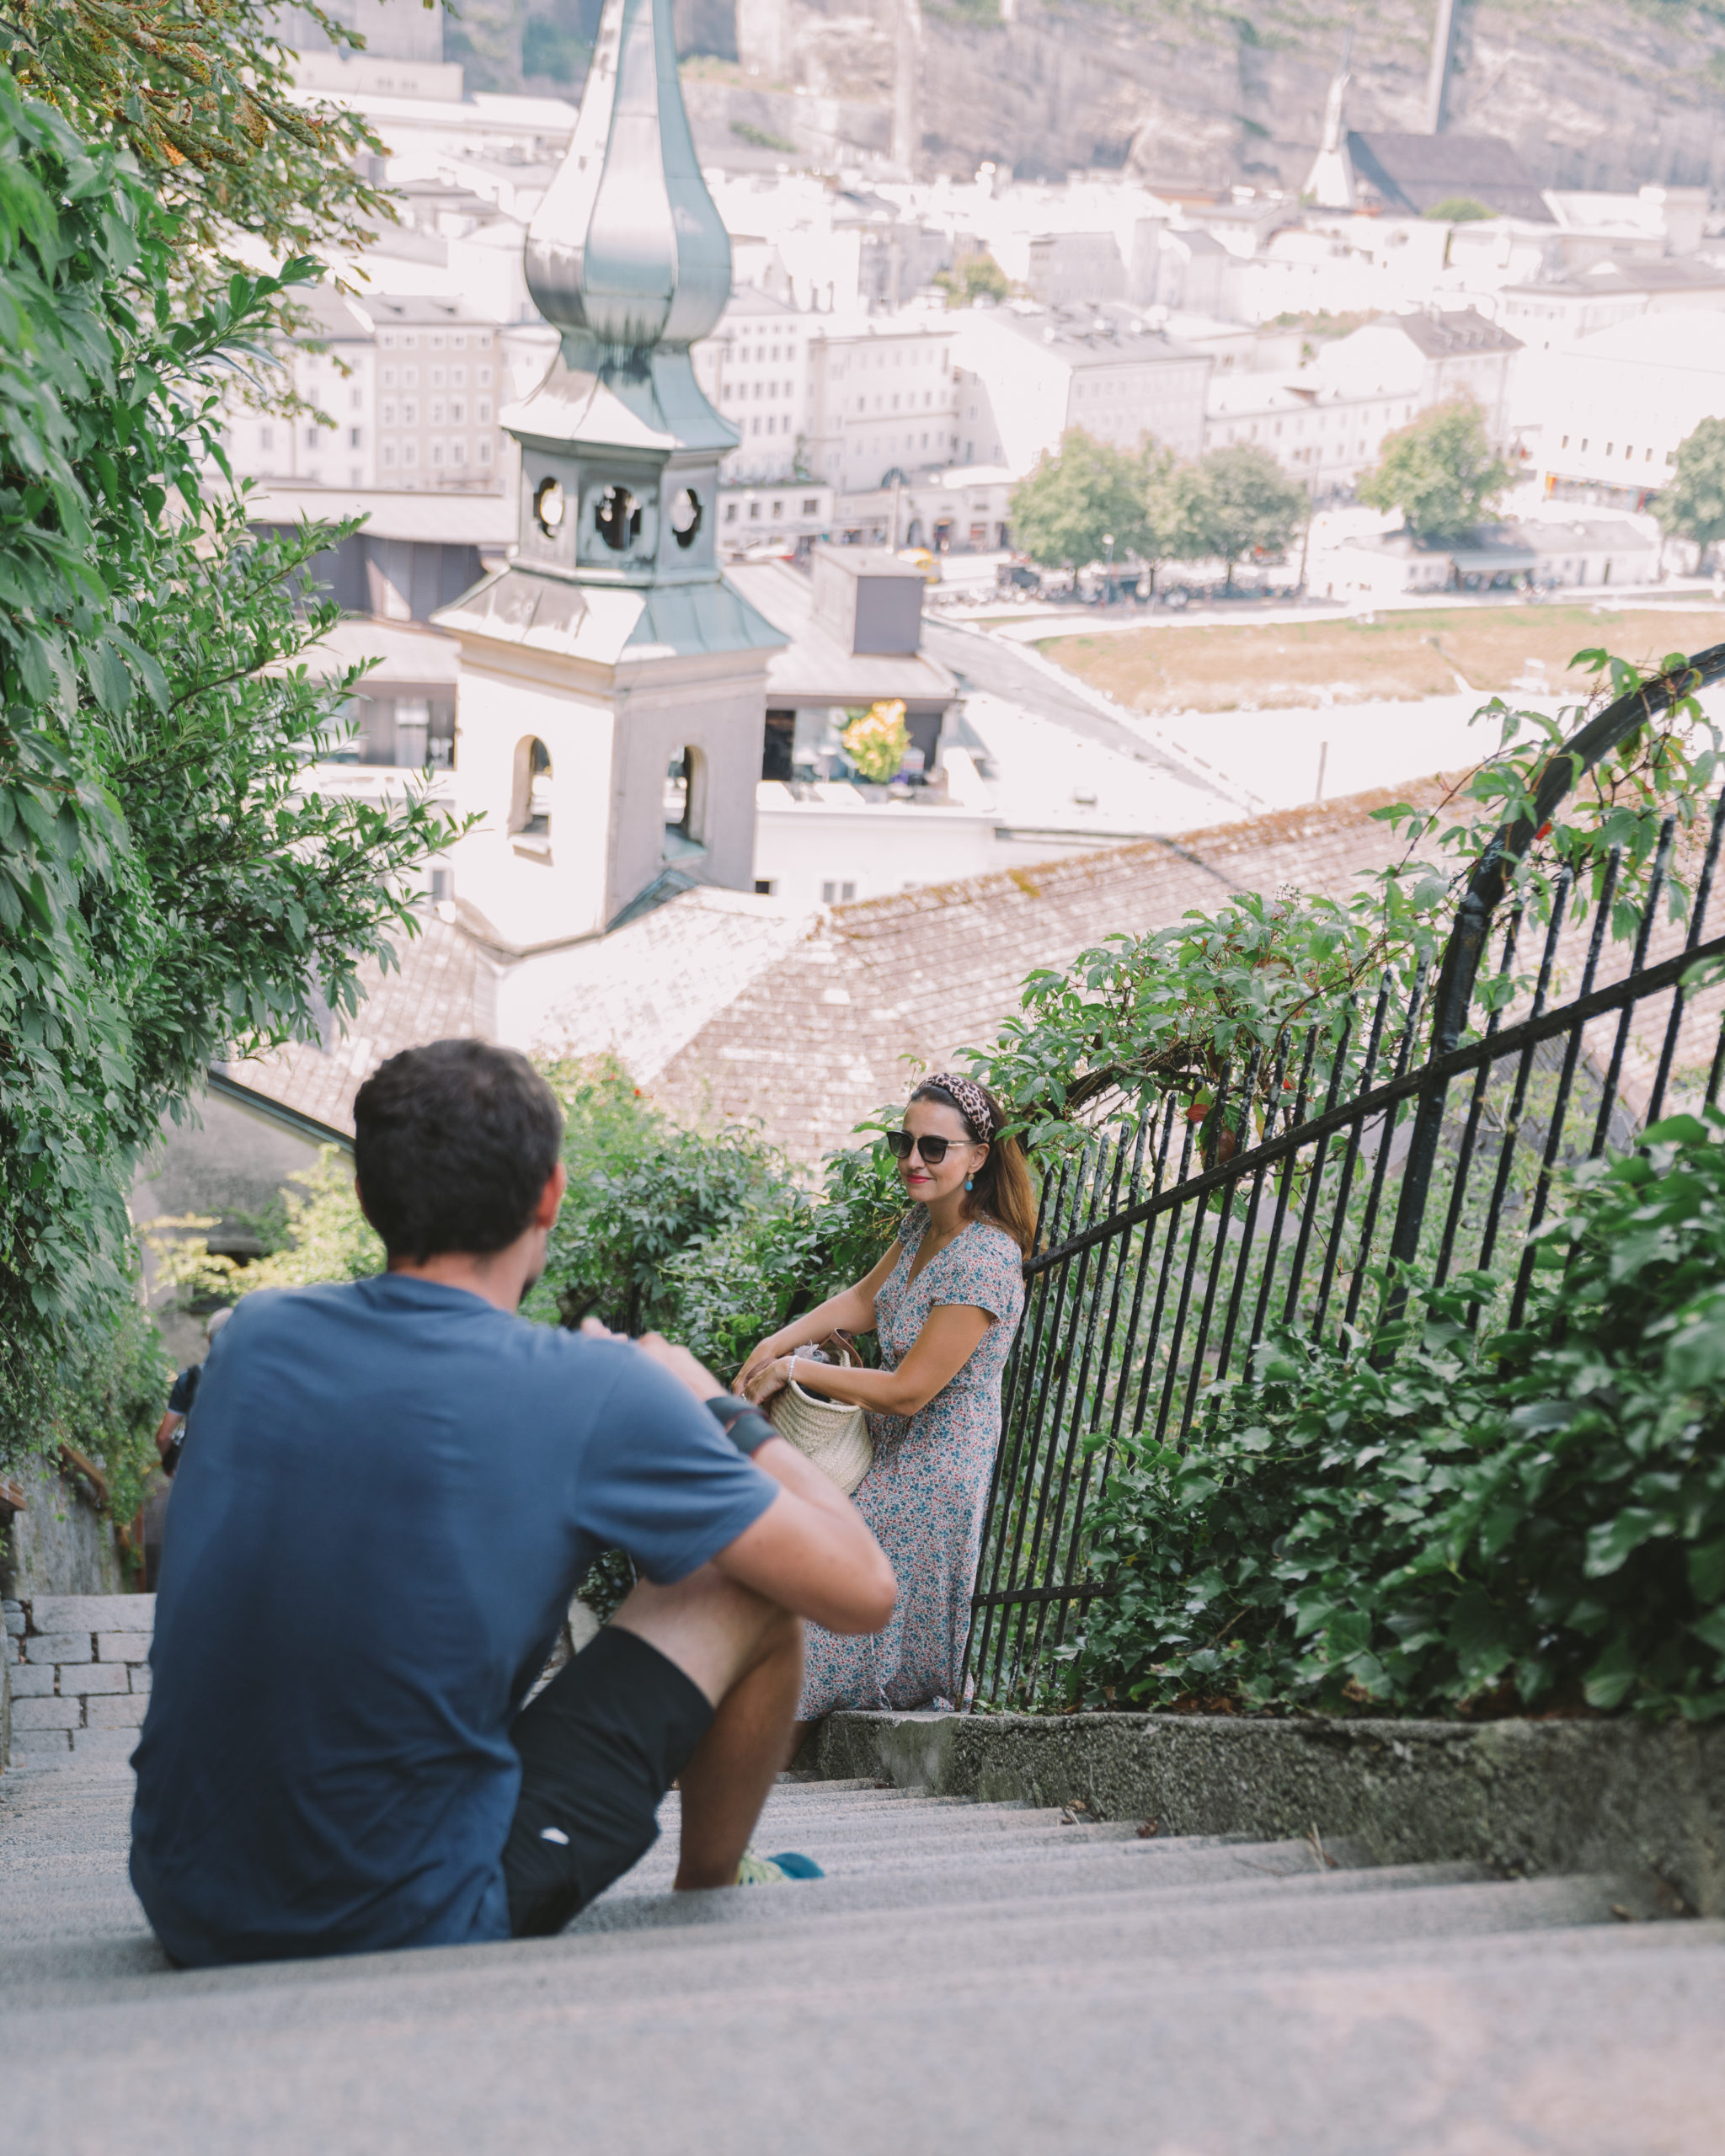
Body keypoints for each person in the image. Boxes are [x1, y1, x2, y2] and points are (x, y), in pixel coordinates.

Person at [130, 1039, 895, 1968]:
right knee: (750, 1576)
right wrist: (709, 1402)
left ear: (370, 1197)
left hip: (189, 1892)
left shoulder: (254, 1337)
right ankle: (712, 1891)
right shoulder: (598, 1388)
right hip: (408, 1913)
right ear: (549, 1196)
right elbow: (860, 1589)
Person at [737, 1073, 1033, 1748]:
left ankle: (750, 1740)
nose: (913, 1161)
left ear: (978, 1157)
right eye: (905, 1143)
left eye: (935, 1148)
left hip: (936, 1464)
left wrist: (793, 1369)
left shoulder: (986, 1258)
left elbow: (910, 1390)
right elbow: (863, 1301)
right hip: (883, 1447)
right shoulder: (921, 1226)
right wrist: (773, 1342)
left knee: (823, 1572)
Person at [152, 1307, 232, 1481]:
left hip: (197, 1472)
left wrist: (169, 1464)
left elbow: (163, 1436)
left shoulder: (189, 1379)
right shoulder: (259, 1382)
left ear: (209, 1338)